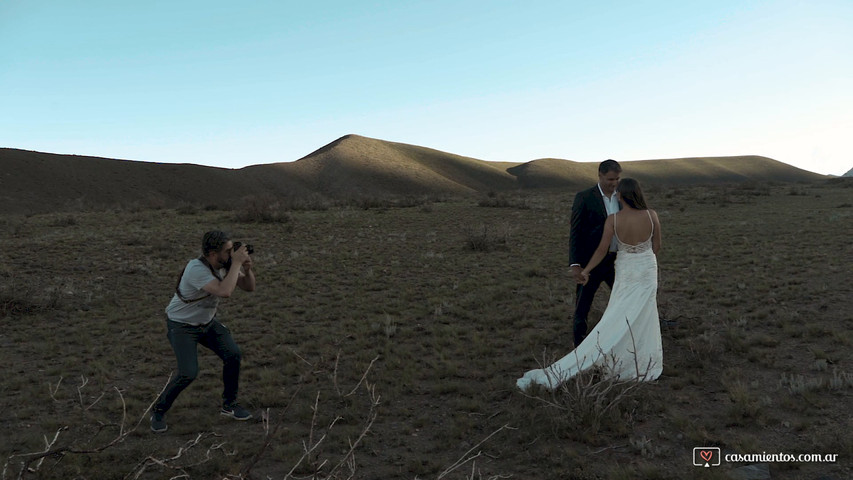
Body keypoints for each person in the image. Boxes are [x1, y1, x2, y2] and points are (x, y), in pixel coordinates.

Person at [517, 177, 662, 390]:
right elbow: (656, 247)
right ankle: (641, 357)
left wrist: (585, 270)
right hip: (647, 269)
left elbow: (602, 250)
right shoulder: (652, 215)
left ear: (621, 196)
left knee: (619, 312)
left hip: (626, 270)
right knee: (644, 312)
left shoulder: (613, 220)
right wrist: (642, 256)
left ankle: (612, 351)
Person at [151, 230, 256, 433]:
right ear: (212, 254)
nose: (231, 254)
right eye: (227, 251)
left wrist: (247, 268)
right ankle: (158, 410)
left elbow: (249, 287)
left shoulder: (225, 266)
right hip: (181, 325)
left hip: (206, 323)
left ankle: (229, 405)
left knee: (233, 354)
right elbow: (225, 291)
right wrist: (235, 264)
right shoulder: (196, 269)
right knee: (188, 373)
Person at [569, 159, 622, 347]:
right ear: (599, 175)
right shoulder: (584, 197)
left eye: (616, 179)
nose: (613, 183)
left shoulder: (623, 197)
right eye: (609, 179)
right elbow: (575, 231)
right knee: (582, 307)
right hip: (590, 262)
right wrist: (575, 264)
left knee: (624, 301)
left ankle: (623, 340)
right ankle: (579, 347)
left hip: (617, 261)